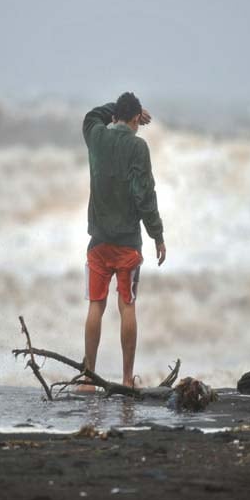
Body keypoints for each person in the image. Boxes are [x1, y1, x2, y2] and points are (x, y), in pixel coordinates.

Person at [82, 92, 166, 389]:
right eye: (137, 122)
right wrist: (157, 234)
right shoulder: (138, 147)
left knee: (96, 305)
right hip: (128, 243)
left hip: (99, 242)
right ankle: (127, 378)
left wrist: (117, 110)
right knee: (127, 306)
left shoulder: (96, 136)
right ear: (134, 120)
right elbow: (145, 195)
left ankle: (87, 378)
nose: (138, 127)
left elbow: (93, 115)